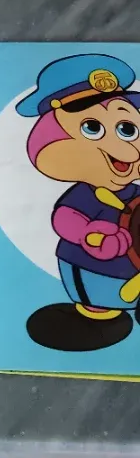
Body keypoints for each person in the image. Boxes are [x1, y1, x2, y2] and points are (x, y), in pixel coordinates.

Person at [17, 53, 140, 351]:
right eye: (92, 128)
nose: (122, 146)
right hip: (91, 266)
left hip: (132, 265)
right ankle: (94, 317)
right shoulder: (84, 195)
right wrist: (91, 235)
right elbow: (66, 218)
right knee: (101, 299)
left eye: (128, 129)